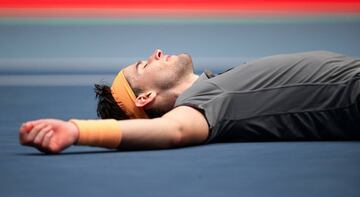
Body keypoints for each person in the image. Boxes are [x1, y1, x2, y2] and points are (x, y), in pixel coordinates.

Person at [19, 49, 360, 154]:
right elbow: (173, 132)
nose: (153, 54)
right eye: (143, 66)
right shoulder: (202, 103)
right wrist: (78, 131)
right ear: (146, 97)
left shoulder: (214, 85)